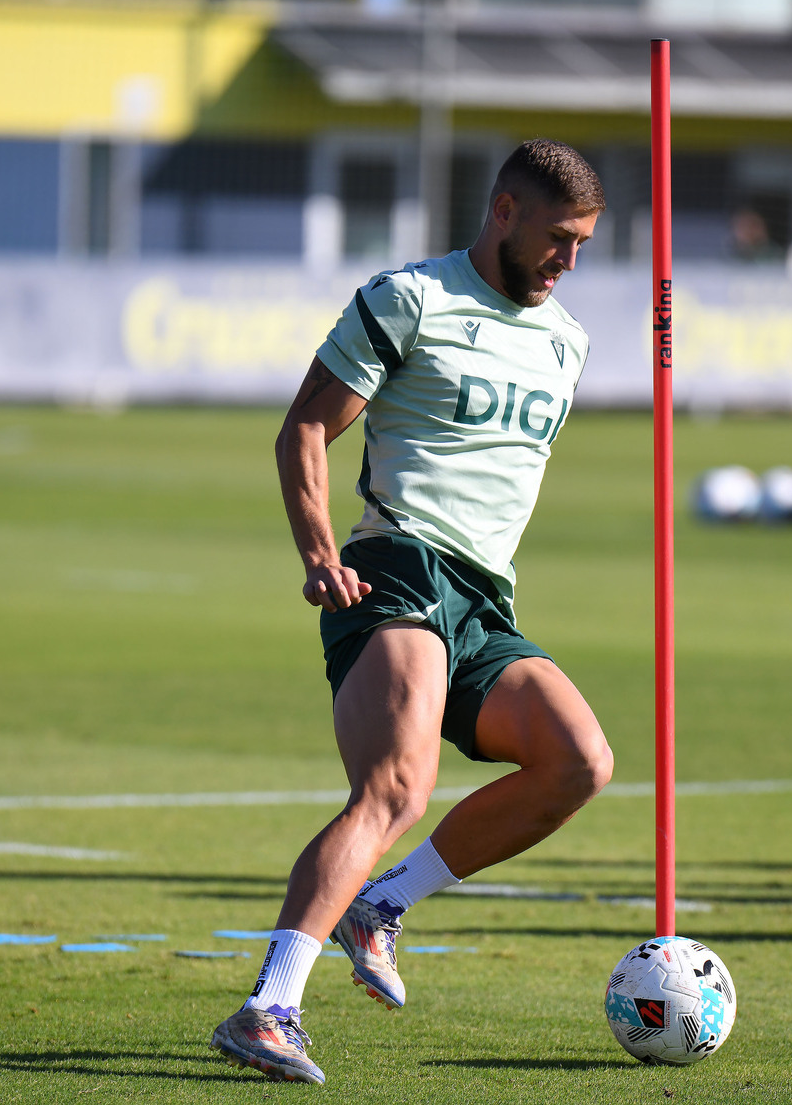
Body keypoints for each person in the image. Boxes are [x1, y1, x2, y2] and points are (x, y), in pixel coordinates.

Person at [210, 139, 615, 1084]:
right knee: (397, 786)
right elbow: (305, 426)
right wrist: (319, 552)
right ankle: (268, 1006)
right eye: (558, 237)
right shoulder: (412, 299)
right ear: (504, 211)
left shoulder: (569, 342)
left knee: (580, 762)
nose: (568, 260)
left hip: (486, 597)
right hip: (395, 565)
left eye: (584, 245)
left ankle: (382, 902)